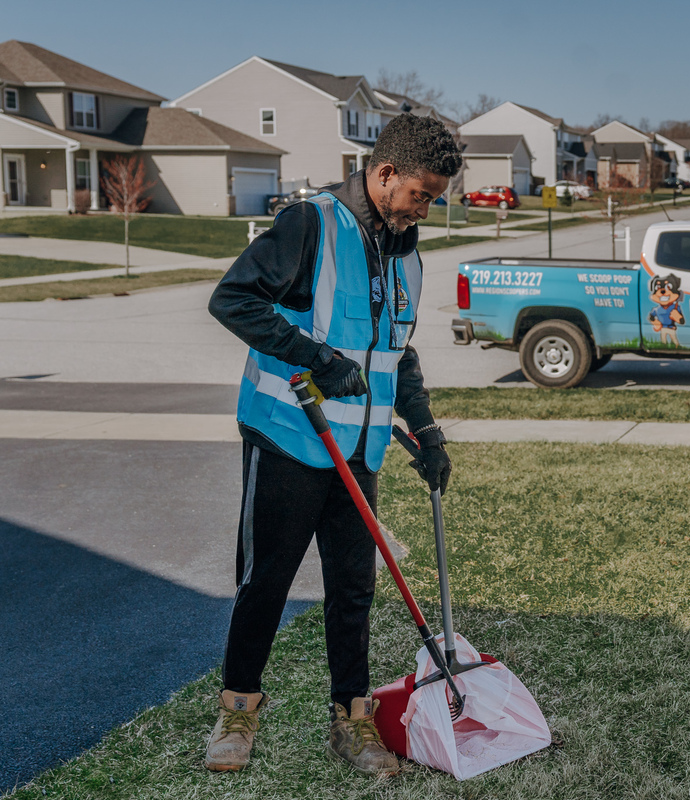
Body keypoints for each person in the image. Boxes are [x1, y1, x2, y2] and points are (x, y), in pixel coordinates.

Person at [204, 114, 461, 775]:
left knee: (353, 590)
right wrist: (314, 358)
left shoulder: (407, 253)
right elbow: (232, 300)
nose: (425, 208)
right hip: (289, 433)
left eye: (434, 197)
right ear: (384, 175)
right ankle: (237, 712)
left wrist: (426, 431)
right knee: (266, 583)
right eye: (422, 194)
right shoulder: (310, 225)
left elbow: (397, 353)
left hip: (360, 453)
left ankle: (352, 722)